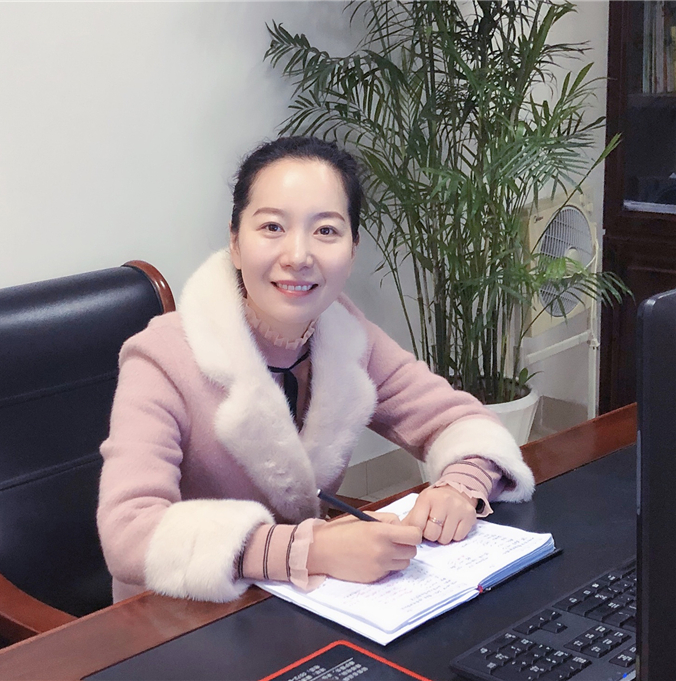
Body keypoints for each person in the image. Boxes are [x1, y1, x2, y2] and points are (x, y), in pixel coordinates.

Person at [97, 136, 535, 604]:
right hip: (180, 616)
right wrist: (310, 550)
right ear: (236, 242)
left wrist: (459, 489)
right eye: (272, 227)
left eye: (326, 230)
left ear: (352, 249)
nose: (298, 255)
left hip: (302, 604)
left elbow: (461, 422)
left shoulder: (345, 335)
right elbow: (129, 531)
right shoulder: (162, 356)